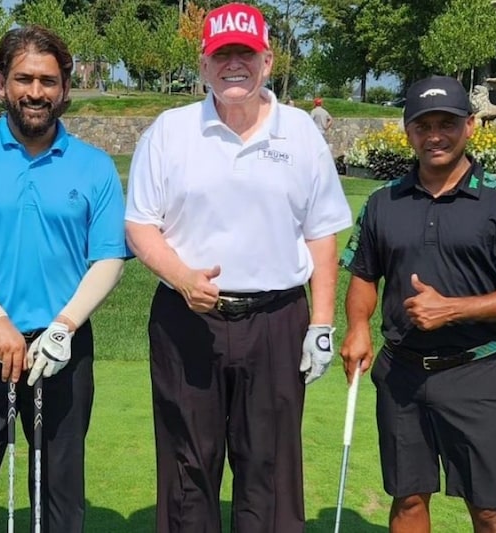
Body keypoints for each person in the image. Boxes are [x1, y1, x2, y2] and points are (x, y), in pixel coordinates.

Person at [124, 3, 353, 532]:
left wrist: (321, 324)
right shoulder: (170, 131)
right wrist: (182, 277)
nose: (234, 66)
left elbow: (322, 232)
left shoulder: (299, 133)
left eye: (245, 55)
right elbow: (140, 225)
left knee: (270, 468)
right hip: (187, 318)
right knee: (188, 465)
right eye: (221, 54)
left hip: (277, 319)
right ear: (204, 65)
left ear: (267, 61)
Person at [0, 25, 127, 533]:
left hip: (63, 345)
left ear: (65, 88)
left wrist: (63, 327)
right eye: (23, 79)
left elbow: (107, 258)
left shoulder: (95, 167)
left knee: (60, 486)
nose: (35, 92)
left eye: (48, 80)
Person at [340, 75, 496, 533]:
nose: (435, 135)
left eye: (446, 123)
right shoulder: (382, 202)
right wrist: (357, 326)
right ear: (408, 131)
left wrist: (453, 309)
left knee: (488, 508)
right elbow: (364, 274)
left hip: (477, 372)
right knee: (408, 499)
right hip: (401, 372)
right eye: (423, 124)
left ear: (470, 126)